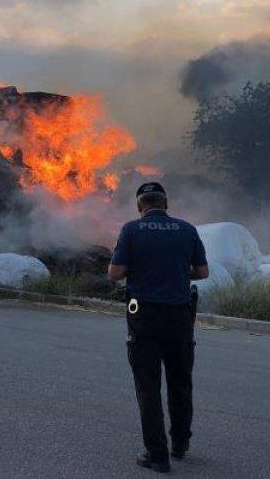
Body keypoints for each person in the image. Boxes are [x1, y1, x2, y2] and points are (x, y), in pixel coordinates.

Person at [108, 182, 209, 473]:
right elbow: (202, 272)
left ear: (140, 207)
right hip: (180, 316)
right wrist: (177, 271)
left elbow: (115, 273)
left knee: (148, 385)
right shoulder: (188, 229)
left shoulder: (131, 230)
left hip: (144, 315)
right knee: (180, 381)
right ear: (166, 205)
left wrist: (140, 269)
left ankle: (157, 456)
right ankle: (180, 444)